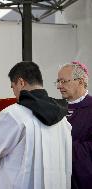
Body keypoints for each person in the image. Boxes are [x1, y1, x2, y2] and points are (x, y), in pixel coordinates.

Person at [0, 61, 72, 189]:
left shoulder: (14, 115)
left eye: (13, 87)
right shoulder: (63, 121)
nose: (14, 93)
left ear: (21, 82)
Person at [57, 61, 92, 189]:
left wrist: (64, 148)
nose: (59, 86)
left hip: (83, 178)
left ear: (81, 82)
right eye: (58, 81)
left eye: (63, 81)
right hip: (57, 177)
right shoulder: (55, 108)